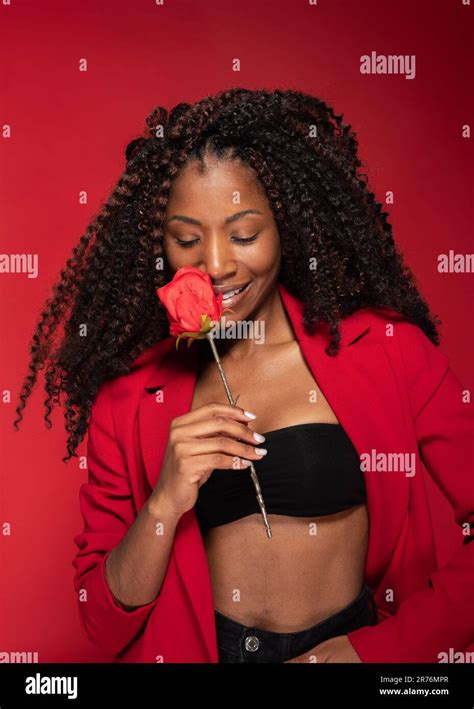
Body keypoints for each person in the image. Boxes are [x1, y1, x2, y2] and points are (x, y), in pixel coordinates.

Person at [14, 88, 474, 663]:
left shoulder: (388, 351)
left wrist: (380, 653)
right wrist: (164, 502)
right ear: (160, 247)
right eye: (187, 239)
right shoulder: (127, 399)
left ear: (284, 226)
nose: (215, 264)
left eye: (243, 234)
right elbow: (101, 623)